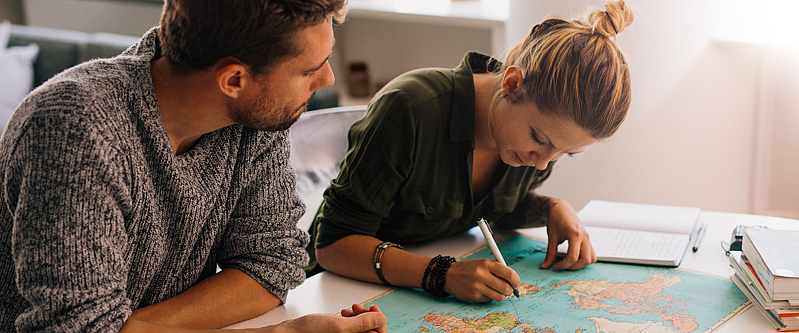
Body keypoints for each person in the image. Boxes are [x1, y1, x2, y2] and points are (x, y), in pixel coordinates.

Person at [0, 0, 387, 332]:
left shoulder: (253, 117)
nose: (328, 78)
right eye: (309, 69)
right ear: (234, 79)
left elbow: (273, 263)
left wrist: (131, 327)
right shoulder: (75, 130)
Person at [308, 0, 635, 304]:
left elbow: (483, 207)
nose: (542, 164)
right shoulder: (410, 110)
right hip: (334, 292)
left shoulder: (529, 148)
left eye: (566, 153)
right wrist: (442, 274)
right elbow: (332, 244)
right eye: (539, 139)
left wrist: (549, 208)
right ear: (512, 85)